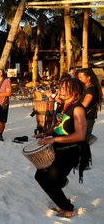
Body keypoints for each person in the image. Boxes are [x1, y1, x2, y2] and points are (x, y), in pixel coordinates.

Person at [33, 76, 90, 218]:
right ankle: (62, 194)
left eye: (66, 88)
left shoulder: (78, 109)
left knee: (47, 178)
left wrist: (53, 140)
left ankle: (68, 208)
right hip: (59, 149)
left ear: (75, 91)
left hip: (71, 151)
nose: (61, 90)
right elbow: (58, 124)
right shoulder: (62, 105)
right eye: (61, 87)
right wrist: (46, 133)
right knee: (40, 175)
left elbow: (80, 135)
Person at [76, 68, 102, 143]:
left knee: (83, 140)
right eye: (78, 77)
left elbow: (85, 104)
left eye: (81, 77)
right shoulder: (85, 87)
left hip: (87, 117)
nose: (79, 79)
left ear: (88, 77)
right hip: (84, 117)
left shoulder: (91, 89)